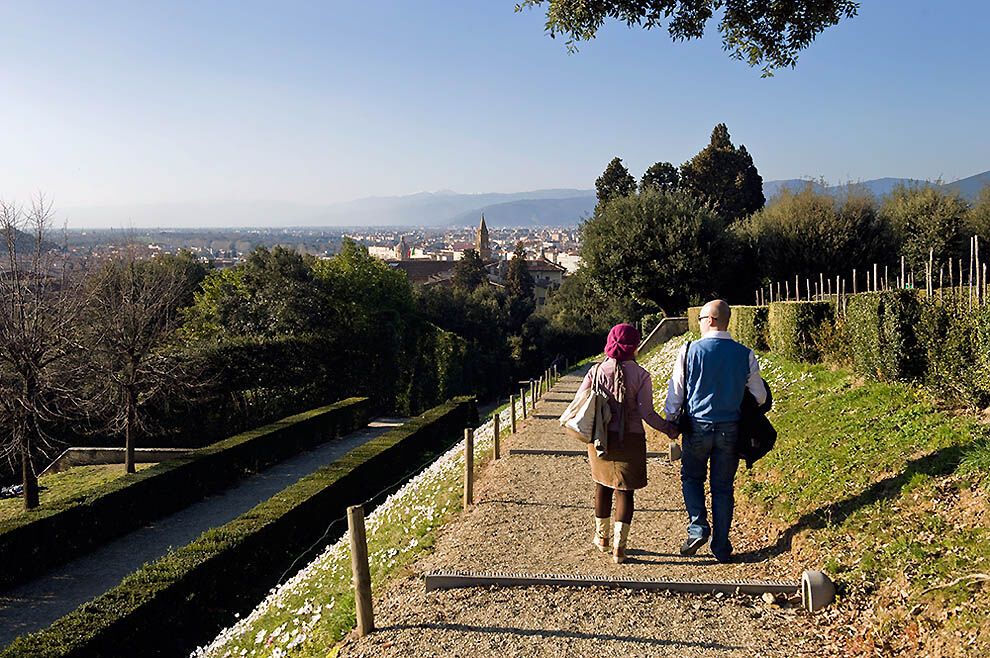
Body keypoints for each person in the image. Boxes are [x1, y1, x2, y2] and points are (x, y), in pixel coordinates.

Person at [665, 299, 767, 563]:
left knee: (691, 478)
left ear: (710, 320)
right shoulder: (745, 354)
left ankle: (698, 526)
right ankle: (721, 545)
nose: (698, 322)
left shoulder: (689, 351)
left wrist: (672, 421)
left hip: (697, 426)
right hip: (730, 430)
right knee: (723, 488)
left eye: (700, 318)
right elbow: (759, 396)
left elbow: (676, 392)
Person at [577, 323, 677, 563]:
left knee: (601, 485)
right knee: (625, 491)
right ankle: (619, 549)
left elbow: (581, 399)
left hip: (601, 437)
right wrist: (669, 429)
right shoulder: (642, 375)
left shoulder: (597, 370)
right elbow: (647, 413)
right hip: (631, 438)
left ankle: (602, 539)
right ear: (635, 346)